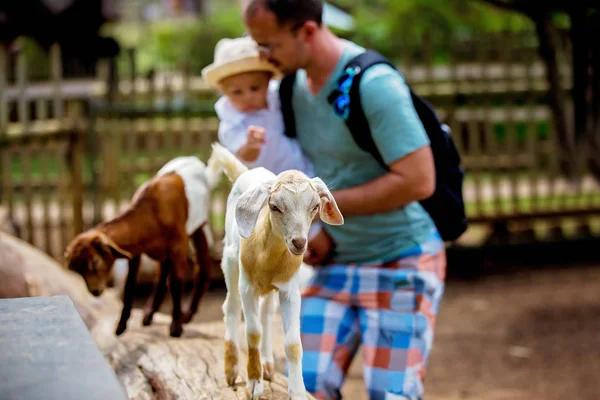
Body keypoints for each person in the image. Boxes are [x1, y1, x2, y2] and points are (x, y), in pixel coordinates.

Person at [242, 1, 447, 399]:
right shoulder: (291, 89)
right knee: (303, 387)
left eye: (268, 45)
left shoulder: (373, 85)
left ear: (306, 31)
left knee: (391, 394)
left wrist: (319, 210)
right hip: (337, 260)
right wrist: (315, 228)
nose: (261, 57)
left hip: (400, 257)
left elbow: (420, 180)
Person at [201, 35, 314, 177]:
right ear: (224, 92)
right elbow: (245, 157)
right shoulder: (231, 123)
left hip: (300, 169)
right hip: (266, 184)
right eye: (237, 92)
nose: (248, 97)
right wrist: (251, 145)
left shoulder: (276, 96)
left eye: (255, 88)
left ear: (268, 81)